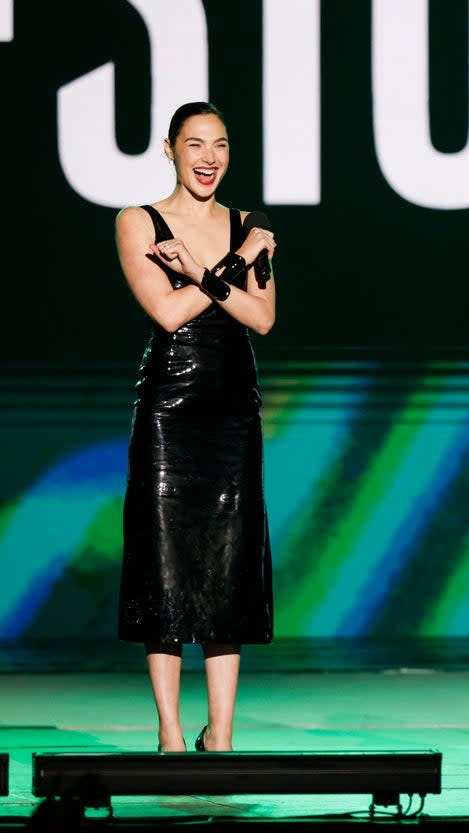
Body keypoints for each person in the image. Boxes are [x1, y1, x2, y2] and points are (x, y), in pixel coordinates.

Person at [115, 101, 277, 753]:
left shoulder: (249, 224)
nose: (209, 157)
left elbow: (263, 319)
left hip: (233, 408)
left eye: (220, 144)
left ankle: (225, 735)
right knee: (166, 567)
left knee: (228, 568)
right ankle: (172, 732)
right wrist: (230, 268)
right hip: (169, 407)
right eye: (194, 144)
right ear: (170, 149)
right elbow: (168, 308)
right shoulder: (137, 221)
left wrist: (204, 269)